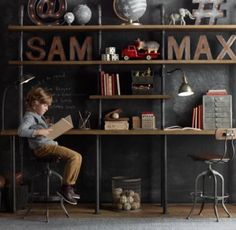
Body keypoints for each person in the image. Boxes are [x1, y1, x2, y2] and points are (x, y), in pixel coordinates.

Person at [18, 87, 82, 205]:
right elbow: (21, 131)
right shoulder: (29, 116)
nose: (47, 108)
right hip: (43, 148)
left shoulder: (37, 117)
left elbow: (38, 129)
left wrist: (48, 128)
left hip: (47, 146)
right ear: (35, 103)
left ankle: (69, 188)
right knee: (75, 157)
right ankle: (66, 188)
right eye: (45, 105)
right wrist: (39, 132)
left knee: (77, 157)